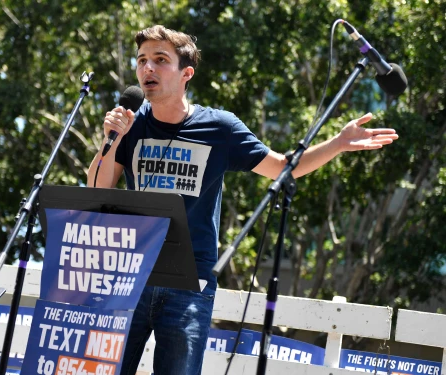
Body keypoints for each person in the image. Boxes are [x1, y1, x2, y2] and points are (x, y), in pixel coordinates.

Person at [87, 25, 398, 375]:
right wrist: (110, 140)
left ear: (186, 73)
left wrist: (337, 143)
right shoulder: (131, 125)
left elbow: (283, 168)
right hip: (132, 274)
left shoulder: (220, 127)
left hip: (190, 283)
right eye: (142, 60)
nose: (148, 68)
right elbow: (98, 188)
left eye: (160, 60)